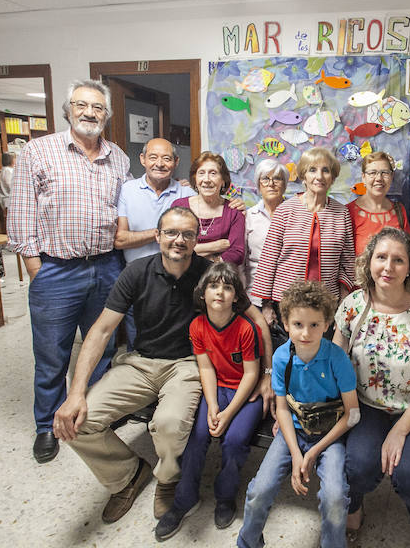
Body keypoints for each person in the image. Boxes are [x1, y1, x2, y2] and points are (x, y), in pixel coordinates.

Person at [52, 207, 273, 524]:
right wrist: (76, 392)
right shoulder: (136, 273)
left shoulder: (211, 274)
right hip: (139, 363)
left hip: (187, 366)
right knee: (78, 422)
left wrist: (266, 373)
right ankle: (128, 475)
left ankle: (167, 480)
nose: (178, 240)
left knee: (169, 426)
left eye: (187, 234)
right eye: (170, 232)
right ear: (157, 236)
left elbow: (257, 322)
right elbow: (101, 331)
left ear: (197, 239)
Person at [8, 79, 129, 464]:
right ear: (68, 109)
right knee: (51, 353)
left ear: (106, 115)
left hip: (107, 266)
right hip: (57, 270)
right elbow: (21, 211)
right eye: (81, 105)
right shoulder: (38, 151)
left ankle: (91, 416)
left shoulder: (119, 158)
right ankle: (46, 425)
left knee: (103, 347)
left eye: (97, 107)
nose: (89, 112)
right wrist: (34, 266)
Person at [334, 227, 410, 548]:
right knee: (359, 467)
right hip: (366, 406)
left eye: (398, 260)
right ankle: (354, 508)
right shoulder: (353, 305)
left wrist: (399, 432)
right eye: (381, 257)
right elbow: (336, 366)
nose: (388, 267)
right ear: (369, 261)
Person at [237, 281, 359, 548]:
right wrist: (296, 455)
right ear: (286, 323)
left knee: (335, 498)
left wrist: (314, 452)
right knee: (260, 490)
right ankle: (247, 543)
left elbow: (352, 415)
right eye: (298, 325)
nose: (305, 333)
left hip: (330, 435)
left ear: (327, 324)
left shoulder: (338, 359)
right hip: (293, 431)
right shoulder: (282, 357)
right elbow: (281, 408)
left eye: (314, 325)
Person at [155, 262, 262, 541]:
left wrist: (227, 415)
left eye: (228, 288)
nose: (220, 293)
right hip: (217, 389)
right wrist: (213, 406)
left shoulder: (245, 328)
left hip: (246, 393)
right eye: (213, 286)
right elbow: (206, 368)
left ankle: (225, 496)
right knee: (198, 436)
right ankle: (184, 500)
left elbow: (251, 374)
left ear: (236, 297)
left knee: (235, 441)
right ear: (202, 293)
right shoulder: (197, 325)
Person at [250, 147, 356, 323]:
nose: (319, 176)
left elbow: (348, 263)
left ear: (333, 178)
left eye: (326, 170)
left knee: (322, 349)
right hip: (286, 302)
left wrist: (344, 302)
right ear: (303, 176)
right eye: (312, 170)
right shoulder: (285, 210)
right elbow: (268, 259)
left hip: (326, 303)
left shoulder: (341, 213)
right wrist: (266, 306)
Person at [114, 137, 195, 348]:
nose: (159, 163)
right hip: (137, 279)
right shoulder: (128, 190)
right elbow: (121, 239)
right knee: (138, 344)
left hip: (178, 280)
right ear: (142, 160)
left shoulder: (187, 193)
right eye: (153, 157)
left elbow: (206, 223)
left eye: (167, 158)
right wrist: (162, 233)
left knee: (177, 343)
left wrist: (234, 204)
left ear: (176, 162)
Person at [172, 151, 245, 266]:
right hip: (182, 276)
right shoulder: (179, 207)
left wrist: (204, 261)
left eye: (213, 173)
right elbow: (174, 248)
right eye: (201, 173)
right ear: (195, 179)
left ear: (223, 181)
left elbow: (237, 254)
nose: (206, 179)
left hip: (218, 278)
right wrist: (216, 246)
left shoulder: (234, 211)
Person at [347, 152, 410, 255]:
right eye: (372, 173)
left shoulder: (399, 211)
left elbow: (408, 252)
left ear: (391, 176)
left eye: (385, 173)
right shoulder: (347, 213)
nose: (379, 179)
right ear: (363, 177)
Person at [244, 159, 289, 290]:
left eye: (277, 179)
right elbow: (242, 261)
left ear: (285, 185)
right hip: (255, 291)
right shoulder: (248, 216)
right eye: (265, 179)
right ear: (258, 184)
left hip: (290, 293)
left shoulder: (296, 214)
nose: (271, 184)